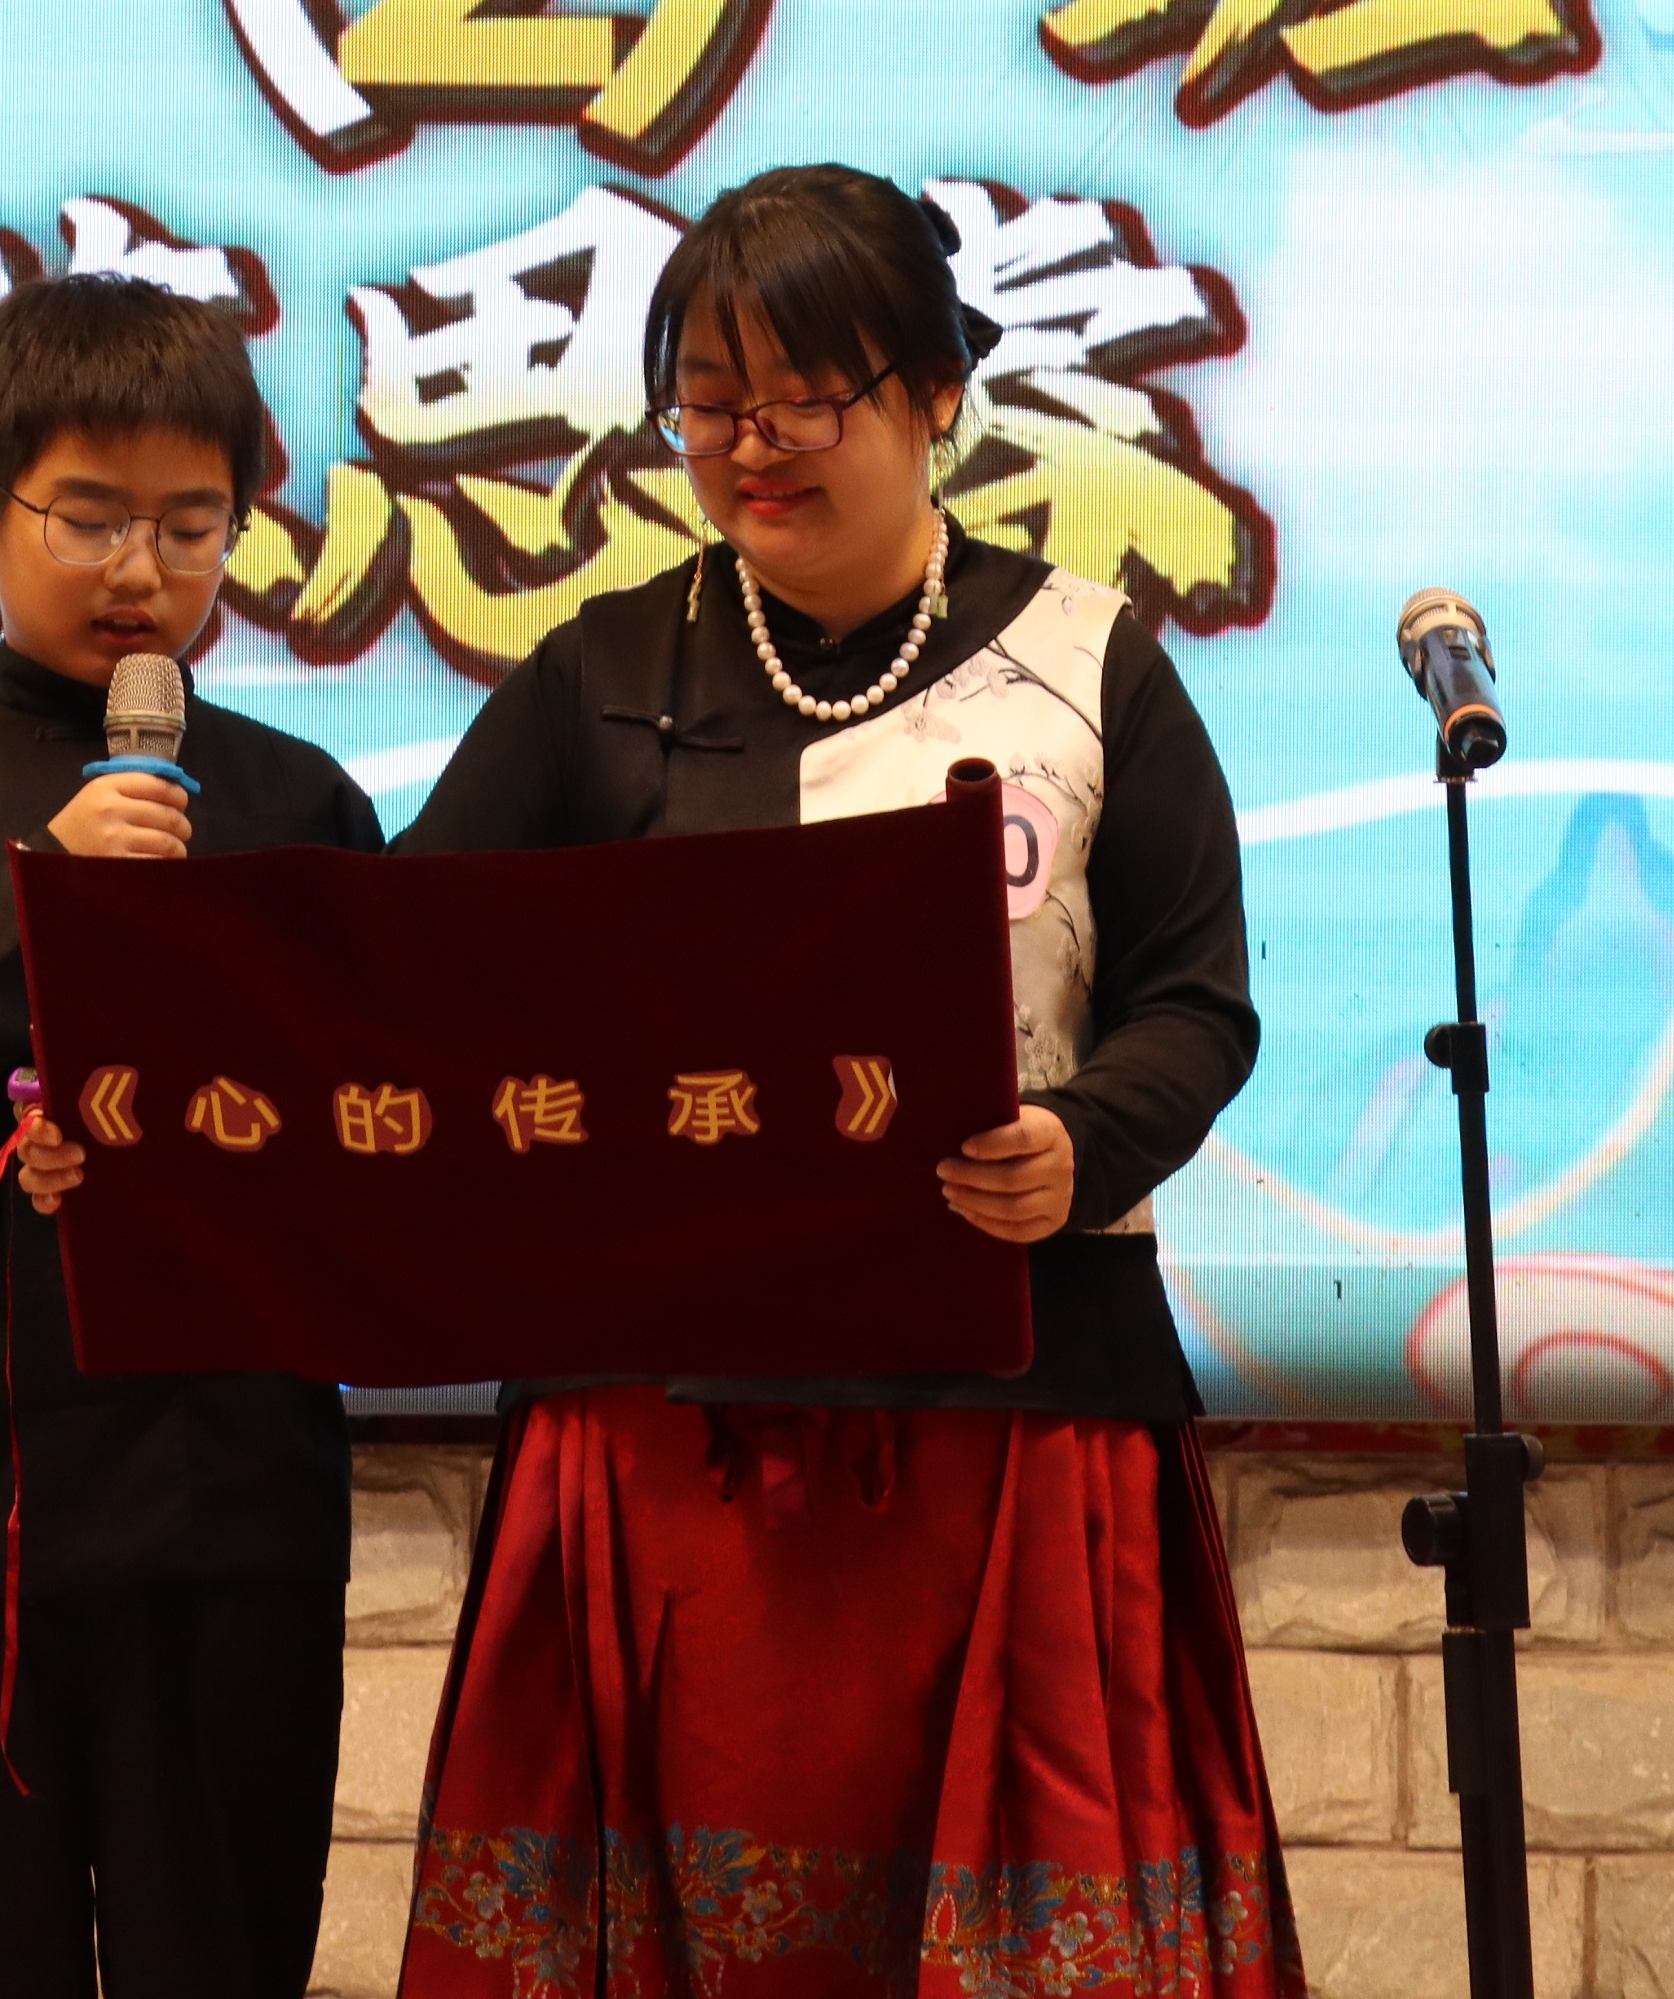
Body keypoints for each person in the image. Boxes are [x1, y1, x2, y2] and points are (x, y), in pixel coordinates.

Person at [386, 163, 1299, 1997]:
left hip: (1014, 1406)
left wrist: (1082, 1139)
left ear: (938, 392)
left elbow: (1195, 1006)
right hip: (664, 1440)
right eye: (710, 403)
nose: (752, 448)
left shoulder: (1091, 664)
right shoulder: (600, 672)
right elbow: (414, 968)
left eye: (806, 399)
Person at [0, 271, 385, 1999]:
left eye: (192, 527)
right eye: (93, 517)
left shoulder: (300, 806)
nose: (143, 571)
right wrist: (40, 897)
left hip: (236, 1507)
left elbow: (368, 1127)